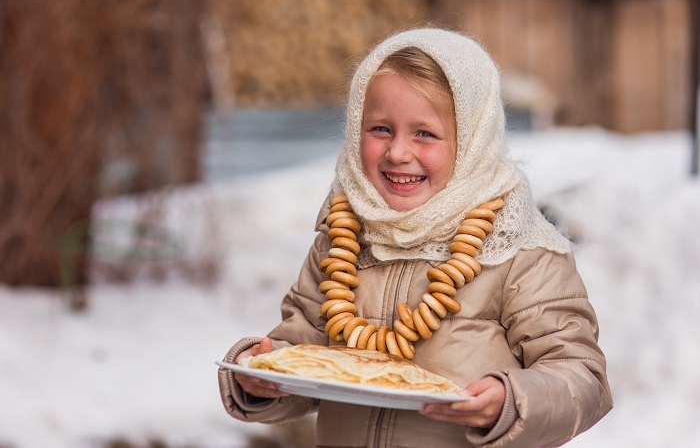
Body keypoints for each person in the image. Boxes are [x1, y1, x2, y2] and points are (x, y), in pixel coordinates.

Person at [218, 27, 613, 447]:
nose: (397, 152)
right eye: (380, 129)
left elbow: (581, 378)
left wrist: (511, 401)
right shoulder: (342, 239)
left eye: (424, 133)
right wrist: (264, 372)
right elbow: (303, 352)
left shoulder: (520, 250)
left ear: (472, 142)